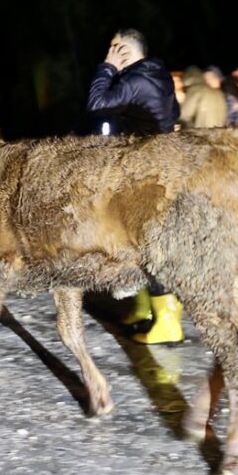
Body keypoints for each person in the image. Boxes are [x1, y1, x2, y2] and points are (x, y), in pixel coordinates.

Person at [86, 28, 183, 345]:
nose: (110, 51)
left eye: (114, 47)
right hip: (158, 166)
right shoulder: (156, 73)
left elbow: (97, 102)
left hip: (147, 173)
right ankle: (148, 309)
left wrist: (107, 68)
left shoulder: (134, 79)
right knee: (142, 245)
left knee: (147, 246)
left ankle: (167, 323)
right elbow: (175, 112)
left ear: (125, 50)